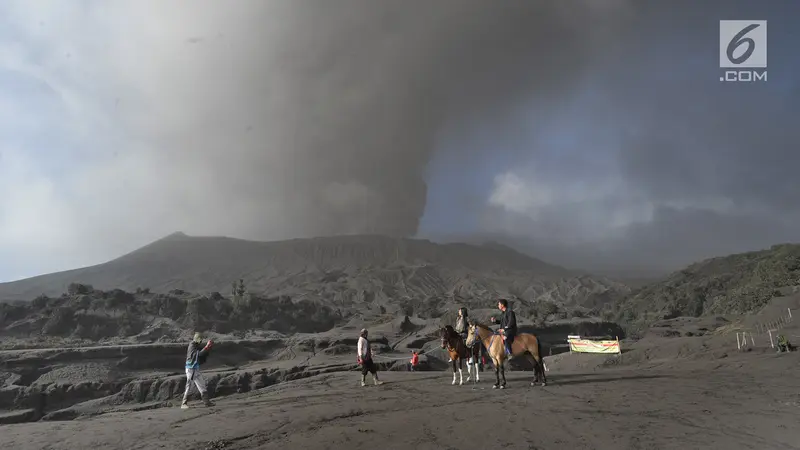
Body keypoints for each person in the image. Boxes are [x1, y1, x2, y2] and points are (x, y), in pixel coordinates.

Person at [181, 332, 214, 409]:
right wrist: (207, 347)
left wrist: (207, 348)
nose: (201, 341)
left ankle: (207, 402)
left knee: (202, 384)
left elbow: (201, 354)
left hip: (195, 368)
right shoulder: (192, 345)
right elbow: (198, 355)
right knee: (188, 386)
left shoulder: (196, 346)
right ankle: (183, 403)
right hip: (190, 369)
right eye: (200, 339)